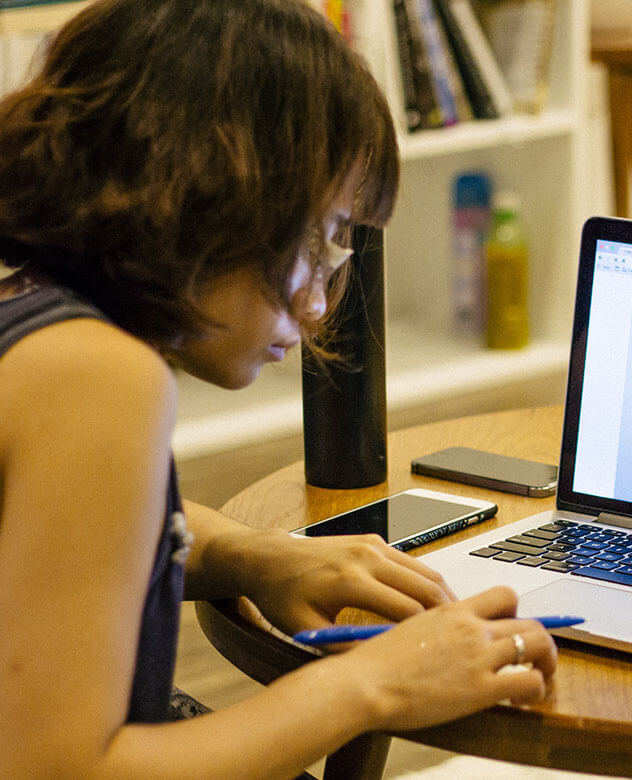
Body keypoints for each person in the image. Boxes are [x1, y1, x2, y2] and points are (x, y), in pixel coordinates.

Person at [0, 1, 555, 777]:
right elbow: (58, 770)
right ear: (212, 196)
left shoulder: (30, 312)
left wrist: (253, 556)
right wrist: (376, 683)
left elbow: (60, 535)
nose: (320, 302)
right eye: (316, 238)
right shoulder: (99, 377)